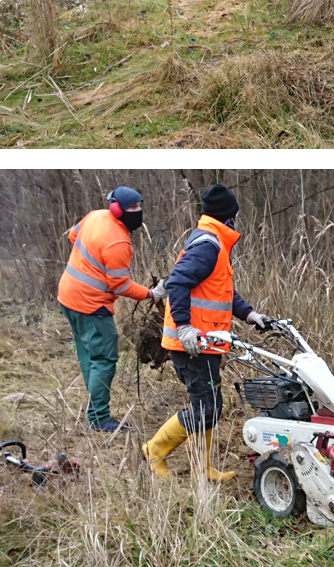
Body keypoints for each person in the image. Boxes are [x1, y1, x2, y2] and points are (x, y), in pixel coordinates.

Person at [143, 183, 273, 482]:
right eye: (235, 216)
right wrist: (186, 328)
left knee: (209, 406)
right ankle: (154, 452)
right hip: (192, 344)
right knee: (207, 409)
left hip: (207, 343)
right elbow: (176, 284)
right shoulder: (208, 245)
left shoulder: (213, 242)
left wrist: (252, 315)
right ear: (229, 216)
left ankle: (202, 467)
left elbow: (222, 292)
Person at [57, 187, 166, 433]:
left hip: (67, 295)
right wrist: (152, 294)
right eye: (133, 208)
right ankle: (99, 418)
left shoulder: (94, 216)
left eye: (140, 207)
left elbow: (73, 238)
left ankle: (94, 404)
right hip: (91, 305)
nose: (138, 212)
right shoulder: (118, 242)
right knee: (105, 359)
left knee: (88, 353)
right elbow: (120, 285)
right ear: (116, 209)